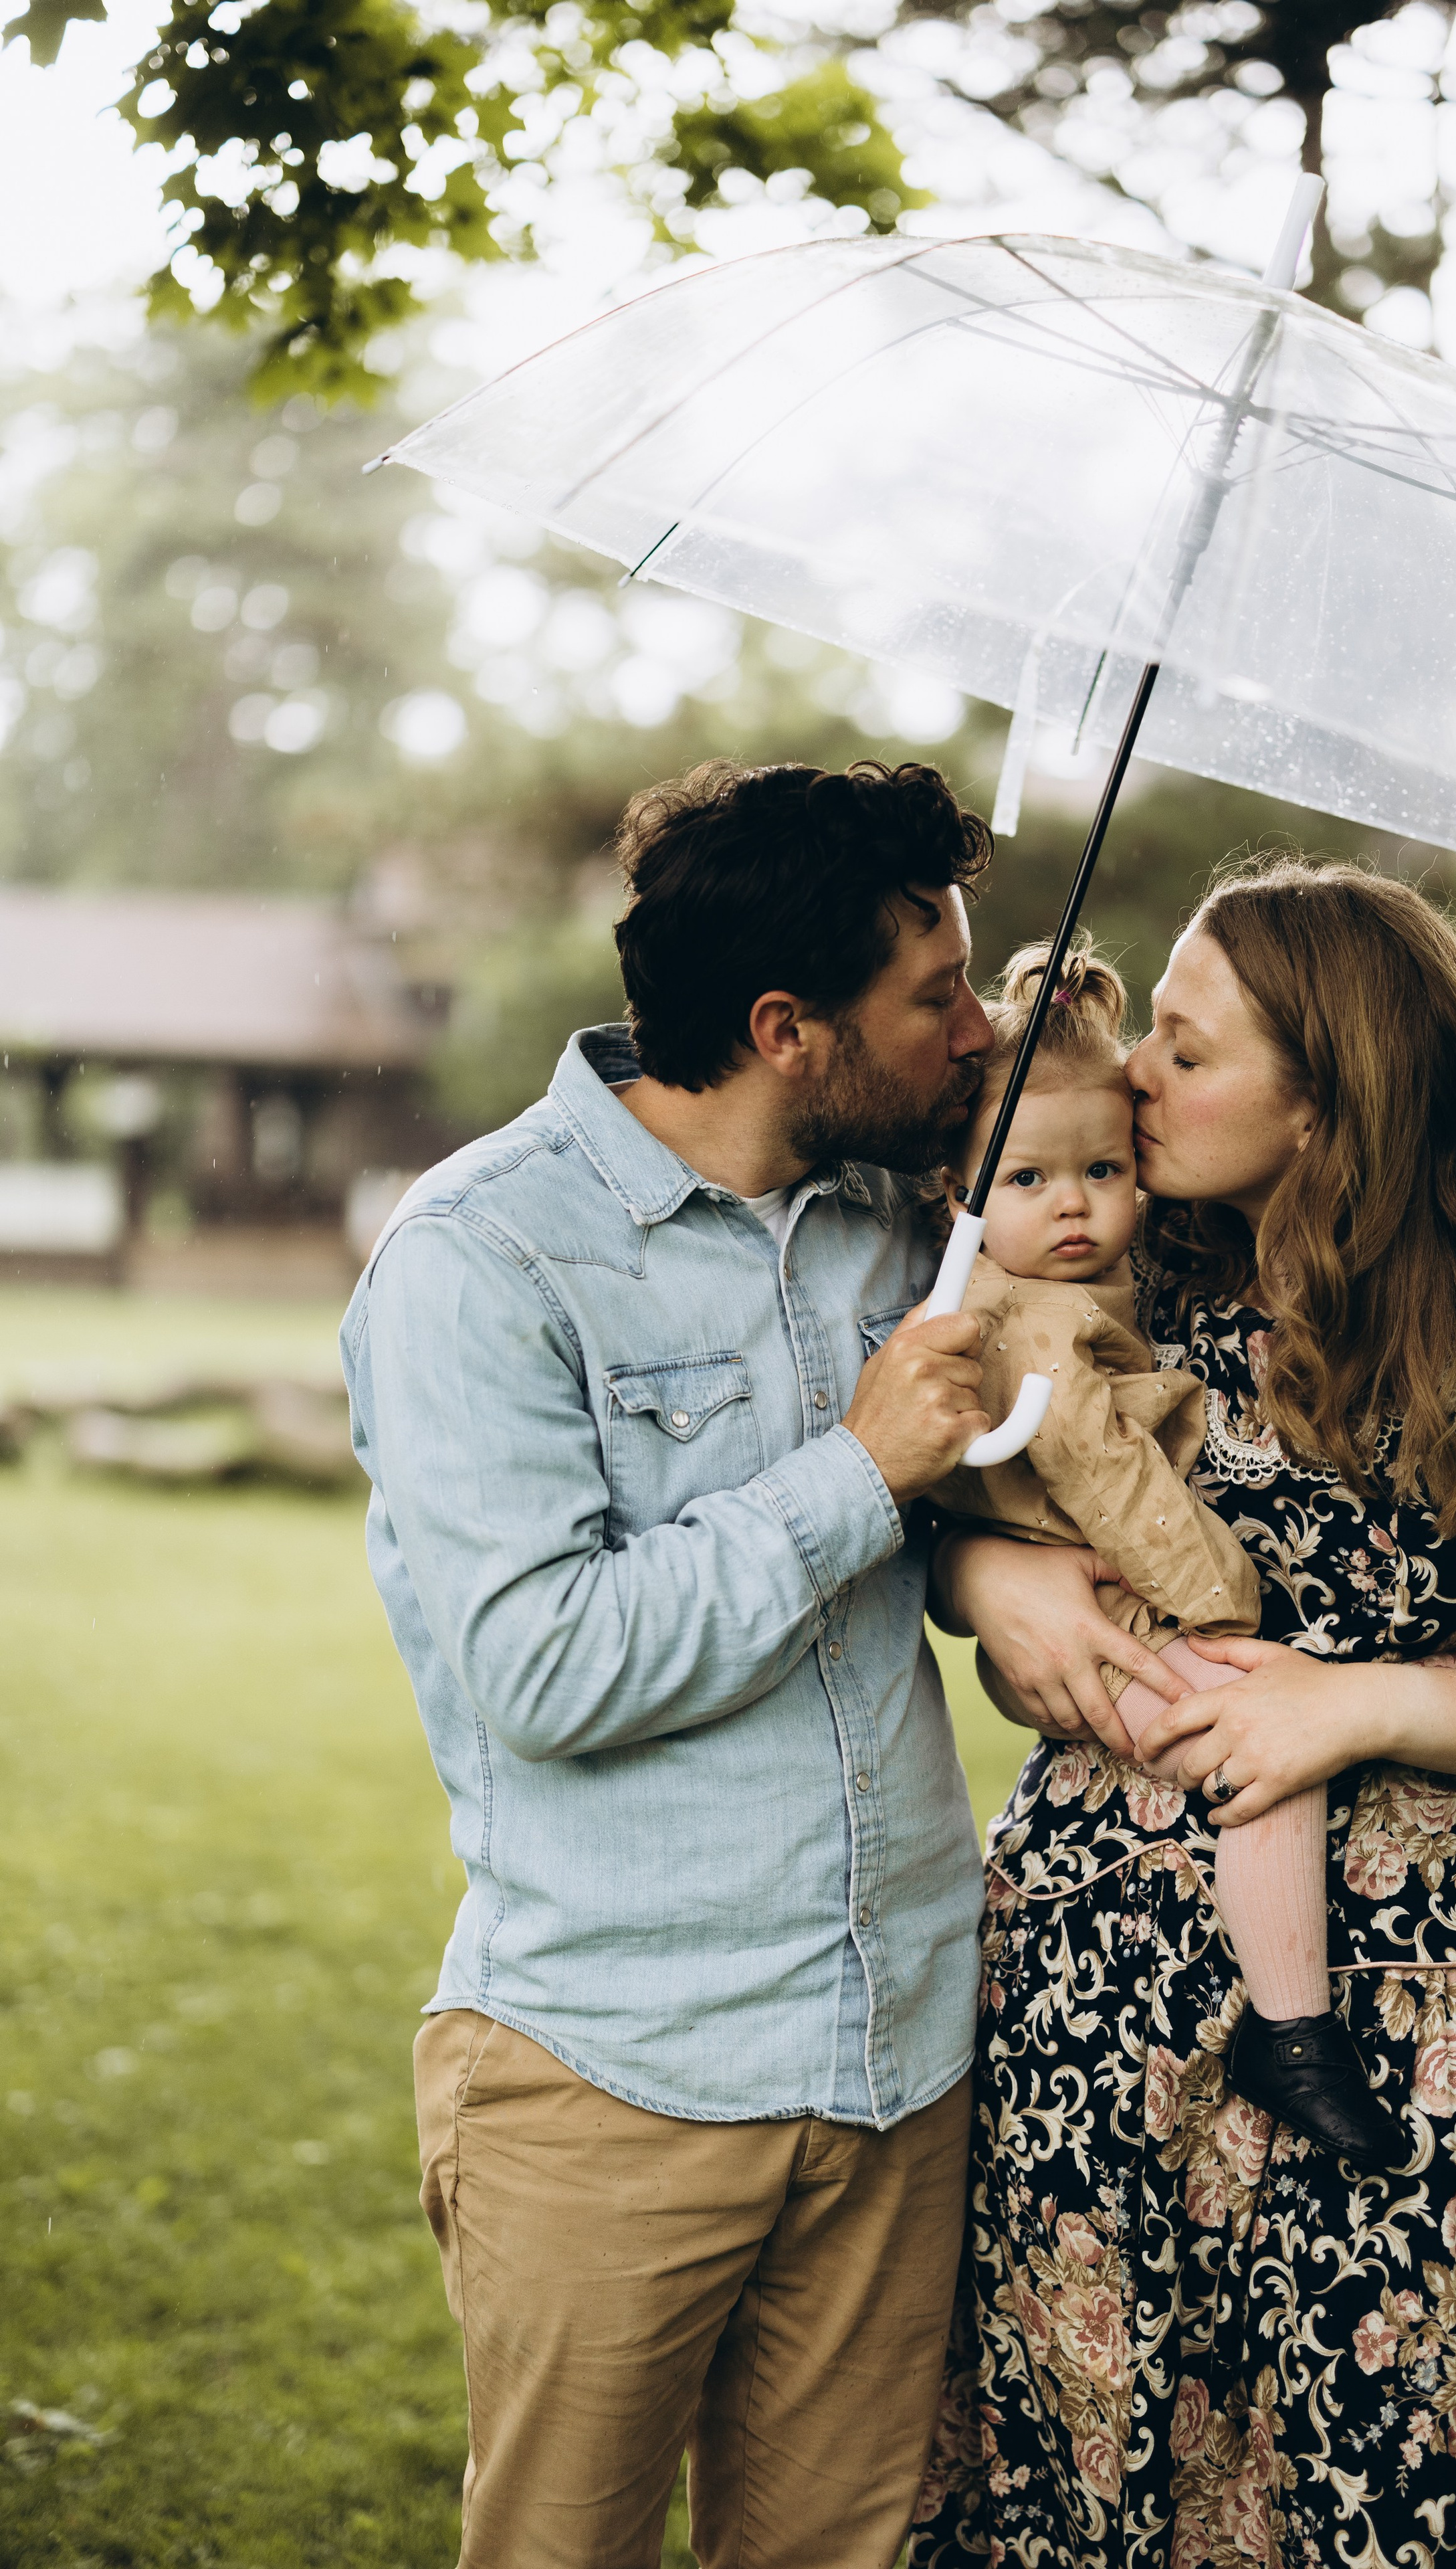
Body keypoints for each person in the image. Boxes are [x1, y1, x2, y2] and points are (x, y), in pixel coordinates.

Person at [342, 759, 1168, 2569]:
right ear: (787, 1029)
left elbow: (977, 1475)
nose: (978, 1033)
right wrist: (859, 1473)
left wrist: (982, 1561)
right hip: (614, 2073)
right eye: (935, 997)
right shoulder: (484, 1258)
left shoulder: (911, 1222)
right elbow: (544, 1666)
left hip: (901, 2062)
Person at [911, 860, 1456, 2569]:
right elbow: (984, 1485)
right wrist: (985, 1581)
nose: (1136, 1080)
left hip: (1405, 2009)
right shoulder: (1133, 1251)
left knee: (1395, 2476)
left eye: (1186, 1052)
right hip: (1095, 1997)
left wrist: (1362, 1705)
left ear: (1325, 1094)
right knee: (1097, 2484)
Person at [932, 933, 1402, 2173]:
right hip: (1139, 1608)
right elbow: (1108, 1475)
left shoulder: (1112, 1271)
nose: (1074, 1203)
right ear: (959, 1193)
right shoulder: (1036, 1318)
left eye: (1104, 1169)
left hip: (1107, 1614)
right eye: (1029, 1179)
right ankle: (1293, 2028)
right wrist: (1222, 1600)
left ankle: (1289, 2025)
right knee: (1260, 1749)